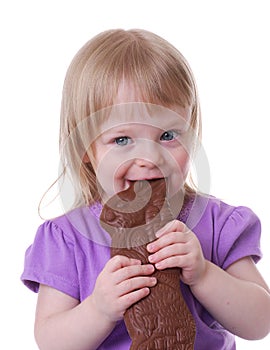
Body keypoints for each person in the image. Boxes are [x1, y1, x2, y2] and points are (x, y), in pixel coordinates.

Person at [21, 29, 270, 350]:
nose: (150, 158)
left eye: (168, 135)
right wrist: (99, 308)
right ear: (86, 147)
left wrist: (205, 274)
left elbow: (260, 322)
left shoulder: (217, 224)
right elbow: (51, 341)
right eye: (122, 140)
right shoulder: (67, 240)